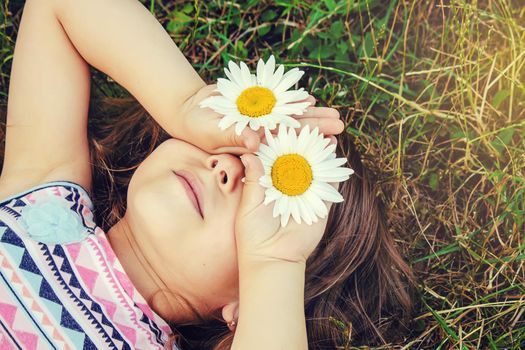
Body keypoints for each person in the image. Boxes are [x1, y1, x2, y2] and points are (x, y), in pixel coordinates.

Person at [0, 0, 413, 349]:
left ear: (248, 305)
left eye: (266, 193)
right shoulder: (47, 198)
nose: (230, 165)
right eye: (232, 142)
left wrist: (273, 263)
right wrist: (185, 102)